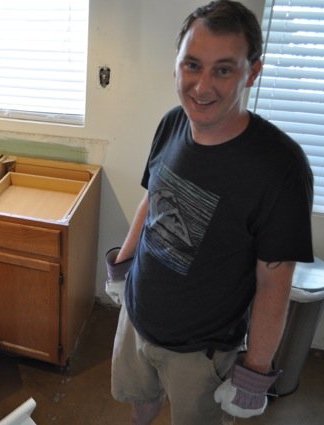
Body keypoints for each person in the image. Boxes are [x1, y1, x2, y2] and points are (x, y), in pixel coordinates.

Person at [107, 1, 314, 424]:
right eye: (192, 65)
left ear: (252, 73)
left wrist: (254, 373)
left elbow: (274, 283)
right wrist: (122, 270)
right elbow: (151, 200)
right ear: (176, 65)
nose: (201, 87)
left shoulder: (280, 168)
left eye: (223, 70)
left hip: (201, 351)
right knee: (140, 400)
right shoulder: (172, 123)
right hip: (138, 314)